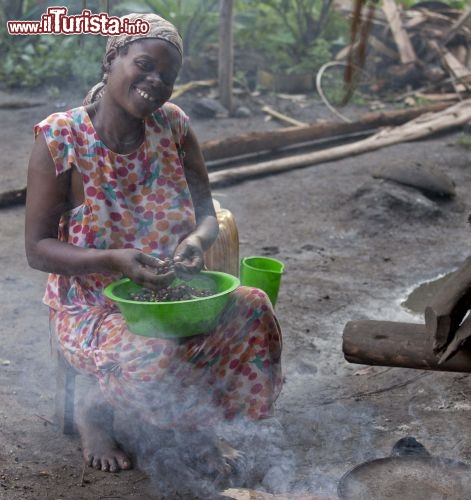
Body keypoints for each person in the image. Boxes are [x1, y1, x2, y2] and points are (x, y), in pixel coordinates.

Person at [25, 12, 283, 476]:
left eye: (168, 75)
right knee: (155, 348)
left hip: (164, 292)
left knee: (253, 306)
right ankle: (94, 406)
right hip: (91, 305)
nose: (156, 82)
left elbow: (206, 214)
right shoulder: (61, 137)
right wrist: (114, 261)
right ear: (112, 60)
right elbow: (36, 249)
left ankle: (197, 421)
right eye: (144, 64)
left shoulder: (175, 127)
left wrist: (195, 242)